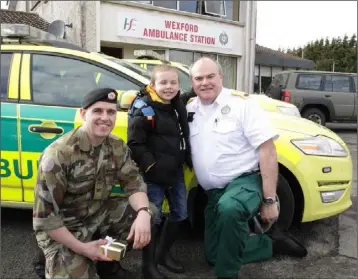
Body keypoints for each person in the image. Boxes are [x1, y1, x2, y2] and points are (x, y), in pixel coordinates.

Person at [32, 87, 159, 279]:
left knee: (150, 212)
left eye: (111, 112)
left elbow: (133, 183)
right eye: (97, 111)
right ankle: (49, 259)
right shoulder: (58, 155)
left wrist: (143, 213)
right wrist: (84, 249)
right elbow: (46, 220)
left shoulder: (116, 146)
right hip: (65, 228)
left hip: (96, 215)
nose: (105, 117)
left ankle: (107, 266)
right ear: (83, 114)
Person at [186, 57, 280, 279]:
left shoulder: (242, 105)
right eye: (199, 78)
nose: (205, 82)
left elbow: (268, 150)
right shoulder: (189, 109)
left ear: (221, 77)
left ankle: (227, 275)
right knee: (213, 255)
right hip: (213, 193)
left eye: (210, 76)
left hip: (243, 182)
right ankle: (270, 245)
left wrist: (269, 200)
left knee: (230, 209)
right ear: (192, 83)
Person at [127, 65, 192, 279]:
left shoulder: (174, 104)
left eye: (173, 83)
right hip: (153, 176)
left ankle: (163, 255)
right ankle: (149, 266)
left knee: (180, 214)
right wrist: (152, 167)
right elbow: (135, 144)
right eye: (163, 83)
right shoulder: (144, 109)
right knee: (152, 221)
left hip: (175, 173)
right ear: (153, 85)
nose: (169, 87)